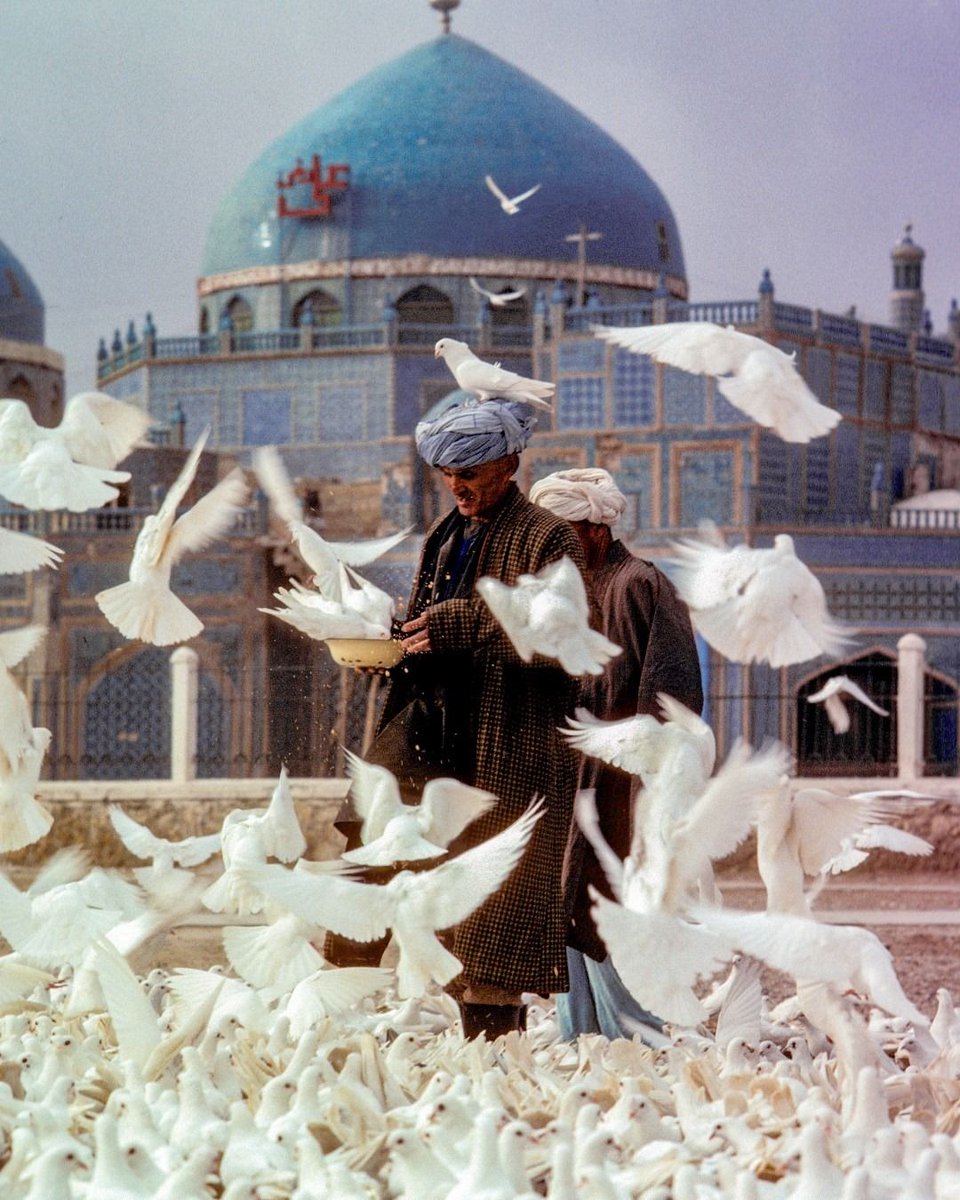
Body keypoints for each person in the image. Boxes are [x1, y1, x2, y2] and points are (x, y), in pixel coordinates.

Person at [331, 399, 587, 1041]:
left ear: (509, 464)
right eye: (448, 471)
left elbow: (563, 633)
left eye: (470, 469)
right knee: (368, 864)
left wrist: (457, 626)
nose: (458, 483)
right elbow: (426, 628)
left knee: (489, 912)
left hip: (505, 743)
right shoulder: (445, 534)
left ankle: (494, 1060)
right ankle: (330, 1015)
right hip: (427, 734)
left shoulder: (546, 537)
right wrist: (391, 650)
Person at [529, 467, 704, 1041]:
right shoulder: (573, 590)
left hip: (618, 783)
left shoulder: (636, 584)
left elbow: (671, 694)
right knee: (568, 903)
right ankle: (582, 1040)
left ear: (595, 530)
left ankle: (635, 1041)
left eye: (563, 535)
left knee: (606, 904)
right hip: (574, 777)